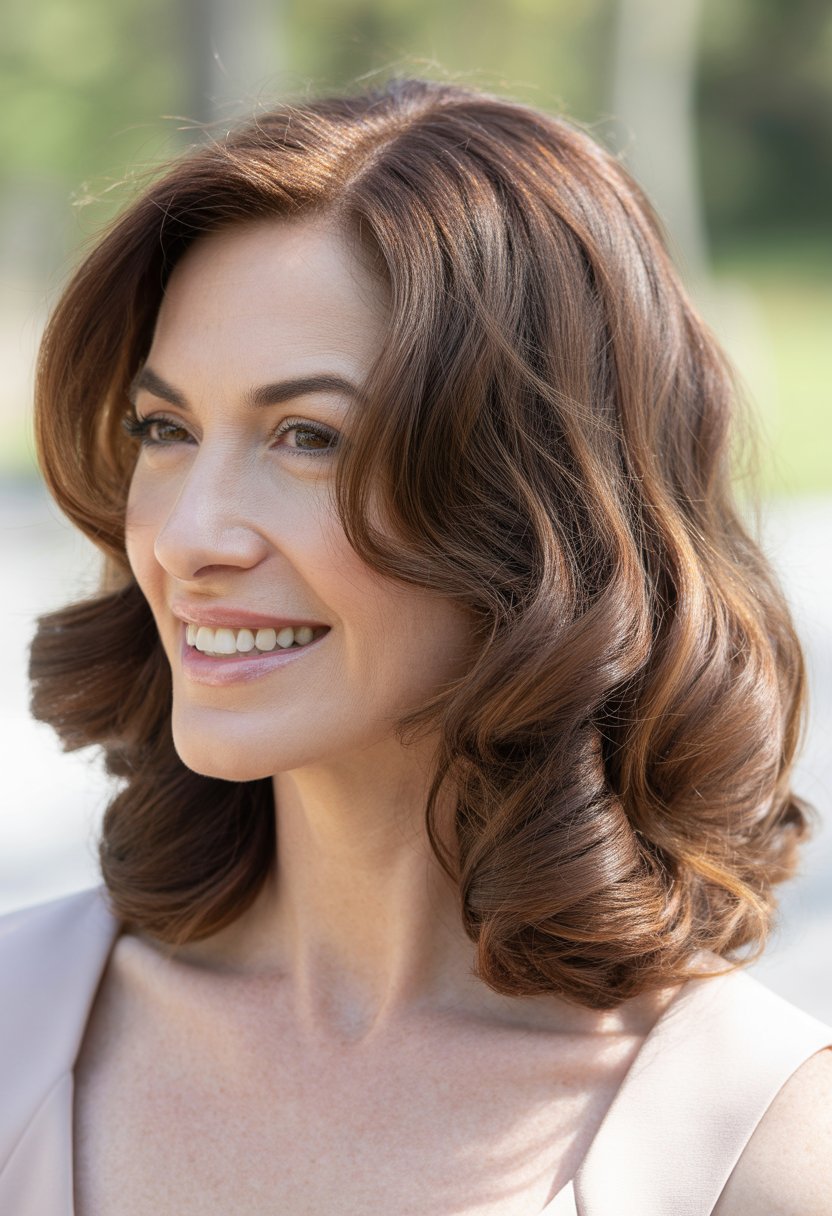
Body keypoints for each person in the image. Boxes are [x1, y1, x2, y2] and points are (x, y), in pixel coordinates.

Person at [1, 77, 830, 1215]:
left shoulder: (761, 1152)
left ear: (536, 511)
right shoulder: (18, 1026)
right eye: (167, 429)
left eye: (308, 437)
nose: (188, 535)